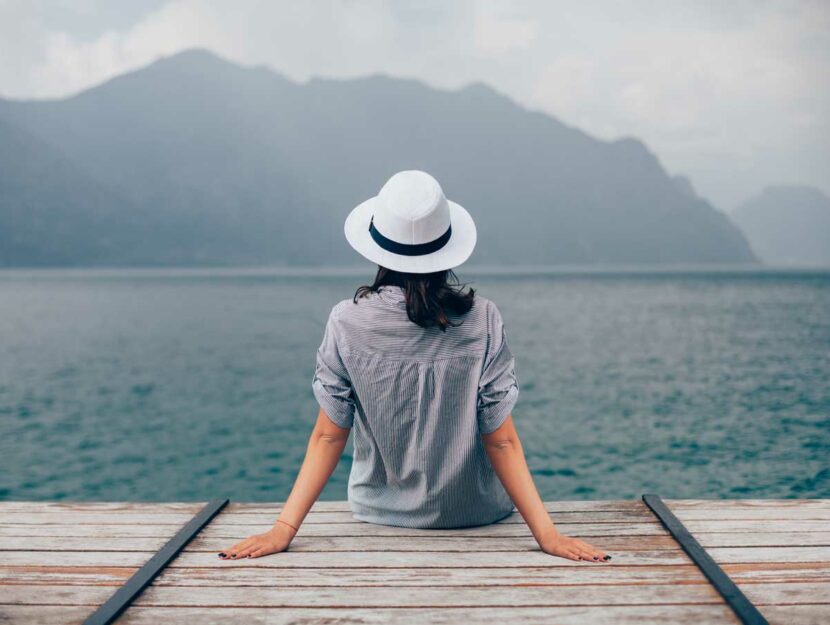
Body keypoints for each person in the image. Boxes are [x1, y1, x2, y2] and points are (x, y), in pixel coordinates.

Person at [219, 170, 610, 563]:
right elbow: (501, 439)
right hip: (476, 516)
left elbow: (328, 437)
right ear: (447, 246)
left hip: (379, 514)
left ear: (376, 246)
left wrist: (283, 529)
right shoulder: (483, 320)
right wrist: (547, 535)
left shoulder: (345, 321)